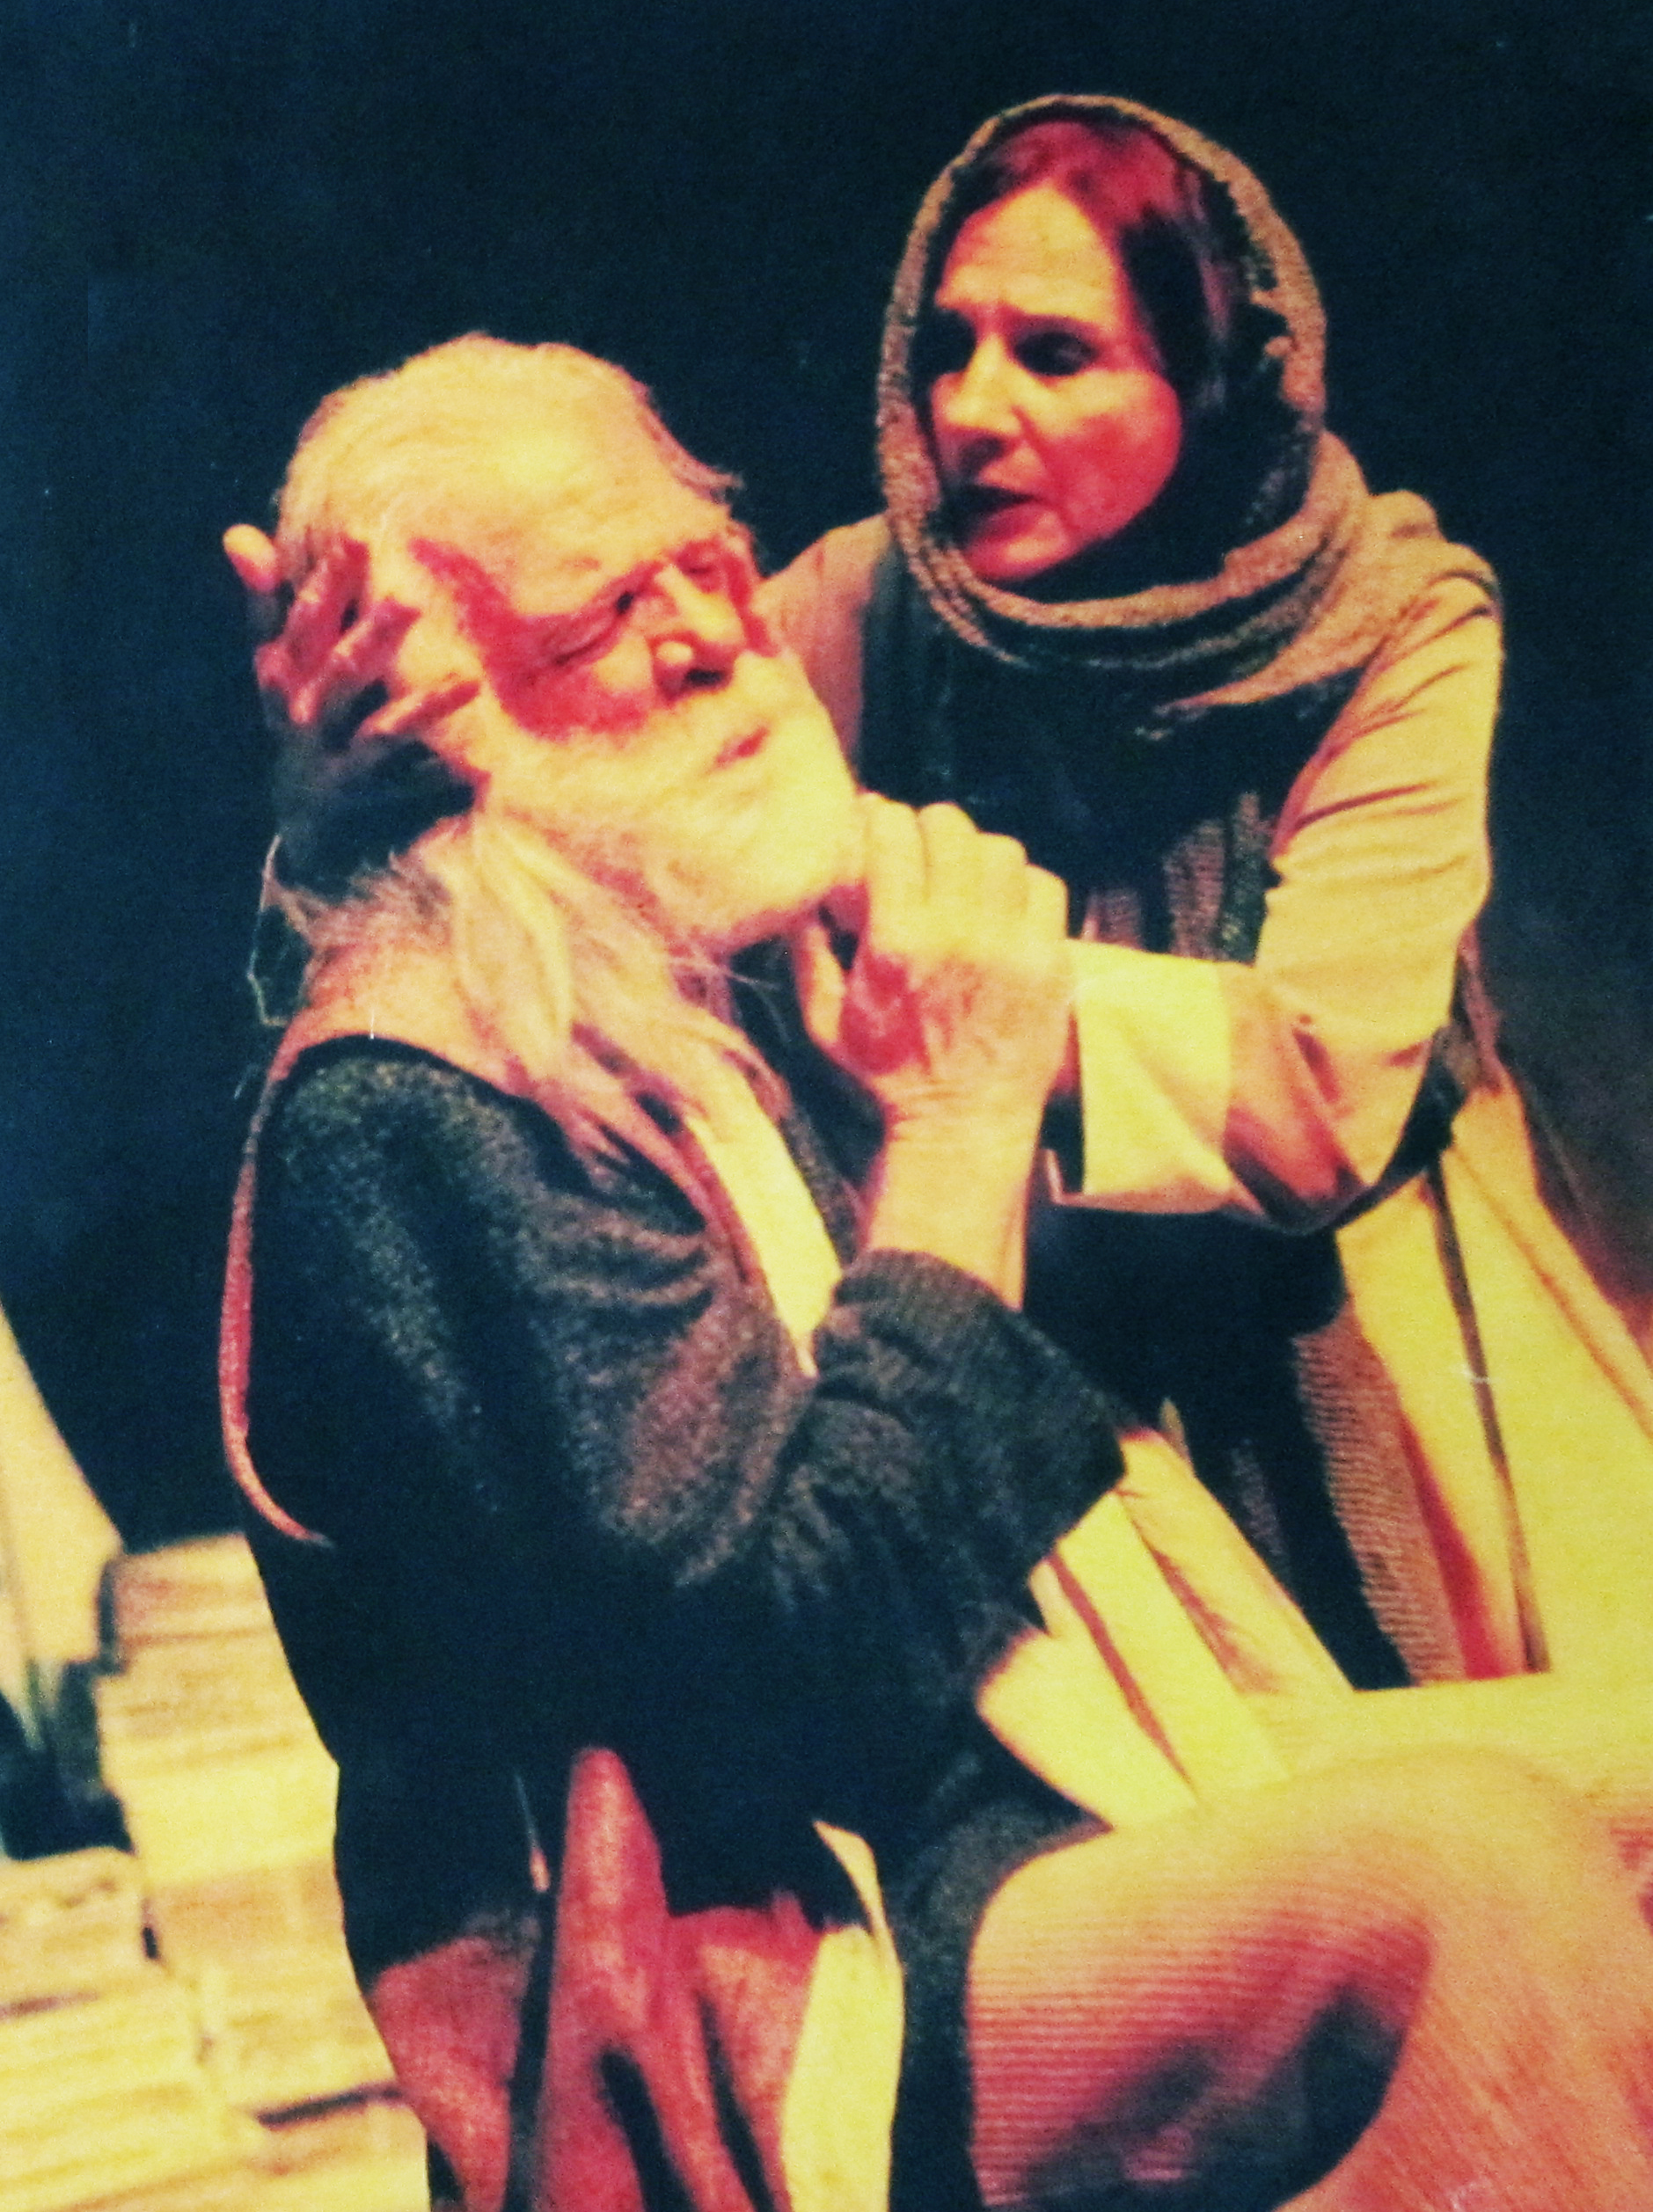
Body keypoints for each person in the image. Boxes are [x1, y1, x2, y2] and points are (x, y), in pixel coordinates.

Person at [222, 333, 1653, 2212]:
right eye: (600, 620)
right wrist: (966, 1120)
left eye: (706, 566)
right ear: (418, 711)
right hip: (808, 1955)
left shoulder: (692, 933)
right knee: (1470, 1877)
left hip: (999, 1803)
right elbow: (804, 1679)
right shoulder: (425, 1094)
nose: (709, 640)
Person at [764, 92, 1653, 1695]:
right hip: (1041, 1331)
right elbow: (617, 799)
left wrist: (973, 987)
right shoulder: (871, 607)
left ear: (1210, 380)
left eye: (1056, 355)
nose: (971, 410)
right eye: (949, 349)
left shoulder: (1388, 619)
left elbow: (1317, 1083)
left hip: (1361, 1315)